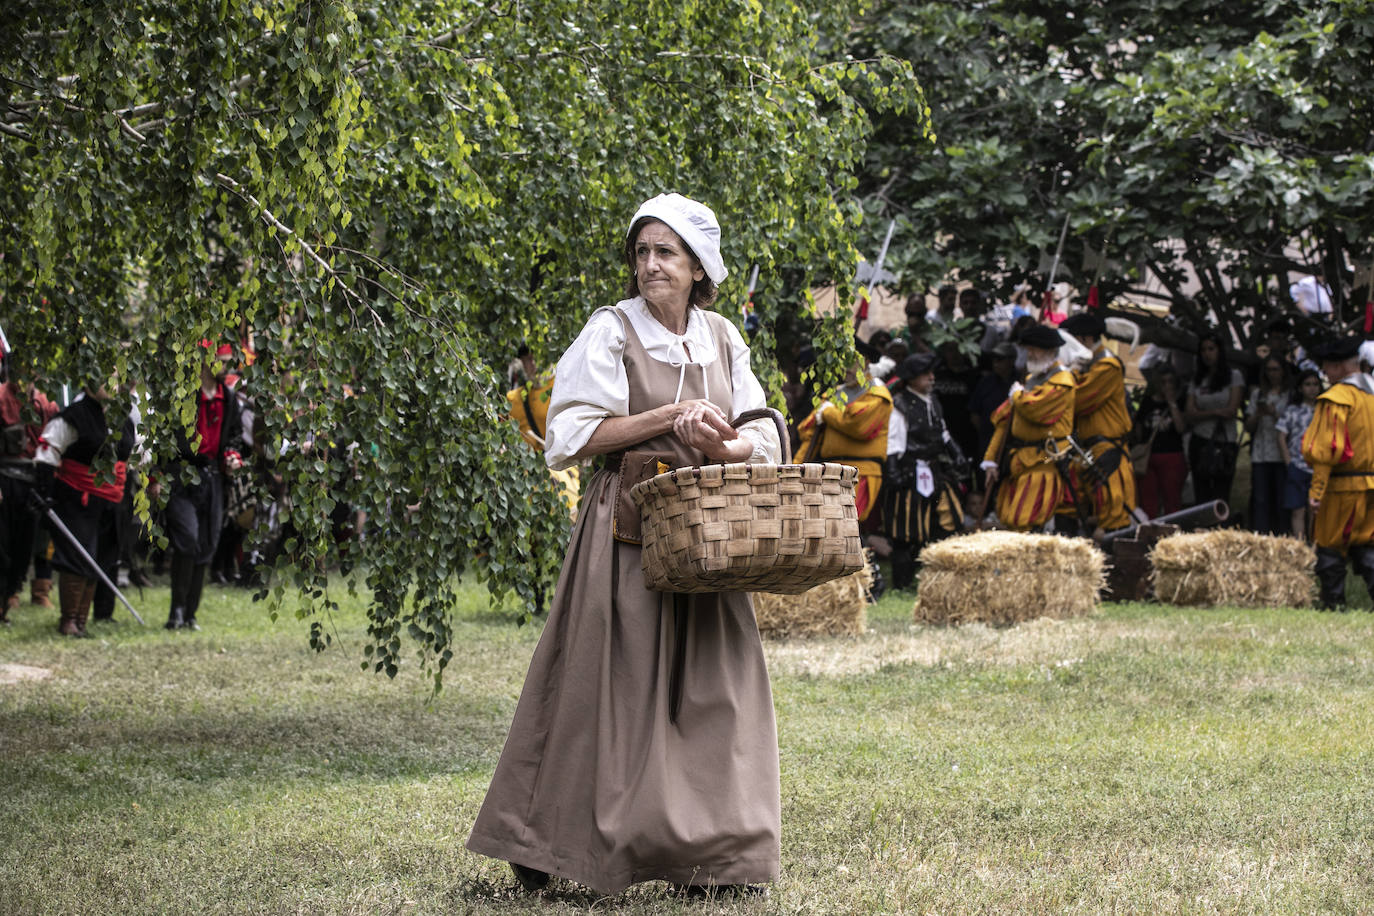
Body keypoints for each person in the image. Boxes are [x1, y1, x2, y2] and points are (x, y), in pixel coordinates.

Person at [467, 193, 783, 897]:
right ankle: (548, 842)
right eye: (641, 252)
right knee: (606, 686)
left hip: (709, 531)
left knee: (715, 690)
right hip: (630, 528)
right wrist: (667, 416)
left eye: (665, 252)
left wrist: (725, 443)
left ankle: (716, 858)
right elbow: (571, 435)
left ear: (699, 268)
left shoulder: (724, 336)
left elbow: (760, 427)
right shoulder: (612, 330)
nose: (649, 265)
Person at [150, 342, 243, 631]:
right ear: (206, 361)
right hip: (180, 476)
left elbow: (234, 439)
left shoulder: (228, 399)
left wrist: (232, 457)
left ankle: (190, 614)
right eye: (223, 360)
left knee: (206, 544)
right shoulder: (180, 397)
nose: (227, 366)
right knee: (187, 539)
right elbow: (159, 439)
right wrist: (155, 478)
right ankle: (176, 610)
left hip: (213, 478)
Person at [32, 381, 135, 637]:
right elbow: (47, 451)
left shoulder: (122, 417)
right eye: (108, 377)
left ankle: (81, 620)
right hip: (77, 497)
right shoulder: (73, 415)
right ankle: (69, 620)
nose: (114, 384)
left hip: (111, 499)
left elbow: (132, 454)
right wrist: (45, 493)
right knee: (79, 557)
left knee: (99, 558)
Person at [882, 353, 967, 589]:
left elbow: (943, 433)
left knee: (945, 520)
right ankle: (902, 583)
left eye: (932, 373)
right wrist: (893, 473)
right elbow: (894, 443)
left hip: (932, 469)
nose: (932, 378)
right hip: (909, 472)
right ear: (912, 378)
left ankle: (936, 579)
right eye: (926, 374)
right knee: (905, 529)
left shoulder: (933, 401)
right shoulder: (900, 404)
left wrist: (956, 453)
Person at [981, 324, 1076, 531]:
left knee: (1023, 518)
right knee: (1006, 517)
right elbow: (1003, 419)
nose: (1029, 354)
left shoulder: (1063, 381)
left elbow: (1036, 410)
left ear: (1051, 351)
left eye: (1035, 349)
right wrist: (990, 459)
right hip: (1017, 459)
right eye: (1028, 349)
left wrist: (1017, 396)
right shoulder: (1030, 380)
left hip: (1044, 460)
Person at [1302, 338, 1374, 609]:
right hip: (1371, 483)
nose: (1324, 373)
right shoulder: (1371, 397)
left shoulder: (1336, 400)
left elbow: (1328, 450)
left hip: (1343, 487)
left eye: (1327, 367)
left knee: (1330, 544)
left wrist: (1316, 491)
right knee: (1366, 543)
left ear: (1338, 366)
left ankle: (1333, 603)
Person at [1060, 312, 1136, 532]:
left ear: (1085, 340)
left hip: (1107, 449)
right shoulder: (1089, 367)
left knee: (1112, 511)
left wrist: (1071, 371)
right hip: (1083, 449)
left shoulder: (1108, 367)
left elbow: (1079, 400)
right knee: (1068, 504)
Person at [0, 346, 59, 622]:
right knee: (4, 542)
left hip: (34, 481)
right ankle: (4, 596)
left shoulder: (45, 404)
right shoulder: (1, 397)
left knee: (27, 544)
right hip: (5, 478)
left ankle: (14, 589)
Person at [796, 356, 892, 524]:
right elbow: (809, 432)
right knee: (827, 523)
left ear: (866, 362)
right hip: (830, 471)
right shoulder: (834, 394)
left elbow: (860, 426)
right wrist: (794, 468)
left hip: (861, 471)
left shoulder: (877, 392)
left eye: (851, 362)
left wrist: (828, 413)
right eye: (843, 362)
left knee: (847, 521)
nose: (846, 368)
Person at [1184, 331, 1244, 506]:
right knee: (1201, 492)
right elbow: (1189, 413)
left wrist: (1204, 413)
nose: (1207, 354)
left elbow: (1231, 411)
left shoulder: (1234, 376)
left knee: (1221, 492)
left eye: (1211, 349)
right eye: (1203, 350)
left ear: (1219, 351)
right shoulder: (1197, 379)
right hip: (1200, 441)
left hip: (1225, 441)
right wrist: (1217, 412)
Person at [1131, 367, 1188, 518]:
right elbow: (1138, 430)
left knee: (1172, 499)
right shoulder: (1147, 402)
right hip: (1149, 457)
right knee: (1148, 500)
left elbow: (1181, 427)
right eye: (1163, 382)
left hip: (1172, 455)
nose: (1167, 386)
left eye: (1170, 382)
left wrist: (1172, 403)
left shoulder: (1180, 401)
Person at [1245, 355, 1288, 533]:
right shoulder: (1258, 394)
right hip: (1261, 453)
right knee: (1260, 499)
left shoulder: (1290, 395)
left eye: (1276, 369)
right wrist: (1259, 414)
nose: (1272, 374)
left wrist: (1274, 413)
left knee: (1281, 498)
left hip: (1282, 453)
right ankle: (1261, 535)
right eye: (1269, 369)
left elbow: (1292, 425)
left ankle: (1282, 534)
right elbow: (1248, 426)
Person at [1276, 369, 1321, 540]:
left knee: (1314, 510)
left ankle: (1314, 545)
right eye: (1307, 384)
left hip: (1318, 467)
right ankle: (1300, 546)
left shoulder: (1324, 409)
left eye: (1315, 384)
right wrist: (1288, 462)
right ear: (1301, 388)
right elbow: (1281, 435)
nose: (1311, 388)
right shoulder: (1293, 410)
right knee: (1298, 509)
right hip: (1297, 465)